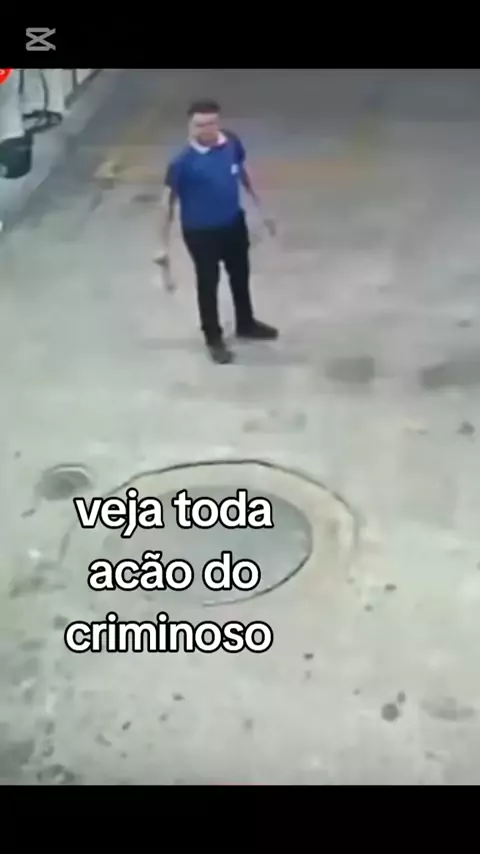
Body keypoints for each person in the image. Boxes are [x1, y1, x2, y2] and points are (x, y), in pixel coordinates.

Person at [157, 99, 278, 364]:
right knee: (208, 283)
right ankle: (213, 338)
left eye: (211, 123)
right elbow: (166, 203)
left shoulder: (231, 143)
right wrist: (162, 245)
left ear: (218, 122)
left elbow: (244, 173)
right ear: (190, 126)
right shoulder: (182, 163)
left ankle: (246, 323)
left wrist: (262, 208)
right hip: (201, 233)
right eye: (200, 124)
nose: (206, 129)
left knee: (240, 274)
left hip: (233, 223)